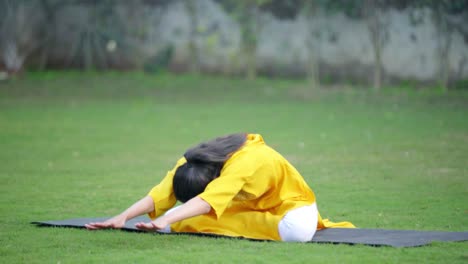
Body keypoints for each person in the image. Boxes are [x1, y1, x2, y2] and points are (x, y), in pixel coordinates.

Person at [85, 133, 354, 242]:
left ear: (211, 180)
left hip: (294, 211)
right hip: (253, 209)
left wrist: (168, 219)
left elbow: (207, 200)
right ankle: (186, 221)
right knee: (188, 218)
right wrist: (123, 217)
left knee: (296, 233)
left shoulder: (245, 162)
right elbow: (160, 193)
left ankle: (185, 222)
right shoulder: (191, 162)